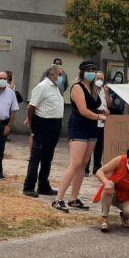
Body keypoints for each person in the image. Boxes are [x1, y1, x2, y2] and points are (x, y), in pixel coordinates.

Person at [52, 61, 107, 212]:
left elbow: (96, 106)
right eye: (89, 70)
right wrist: (99, 117)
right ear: (82, 71)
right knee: (75, 163)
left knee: (83, 164)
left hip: (92, 128)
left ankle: (74, 198)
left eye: (94, 70)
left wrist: (102, 113)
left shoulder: (94, 88)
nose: (92, 73)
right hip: (79, 126)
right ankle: (58, 199)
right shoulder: (77, 87)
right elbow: (83, 110)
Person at [23, 65, 65, 197]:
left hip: (55, 124)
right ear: (52, 75)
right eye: (59, 74)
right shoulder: (42, 86)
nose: (61, 77)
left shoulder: (55, 87)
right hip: (43, 123)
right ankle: (29, 186)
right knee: (36, 155)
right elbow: (32, 106)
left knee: (48, 157)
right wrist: (31, 122)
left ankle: (43, 185)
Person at [86, 70, 111, 176]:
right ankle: (85, 169)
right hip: (93, 120)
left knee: (99, 147)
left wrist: (106, 93)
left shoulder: (104, 91)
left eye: (102, 79)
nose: (100, 80)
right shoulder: (90, 90)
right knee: (89, 146)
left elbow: (109, 104)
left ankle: (97, 168)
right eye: (98, 78)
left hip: (103, 122)